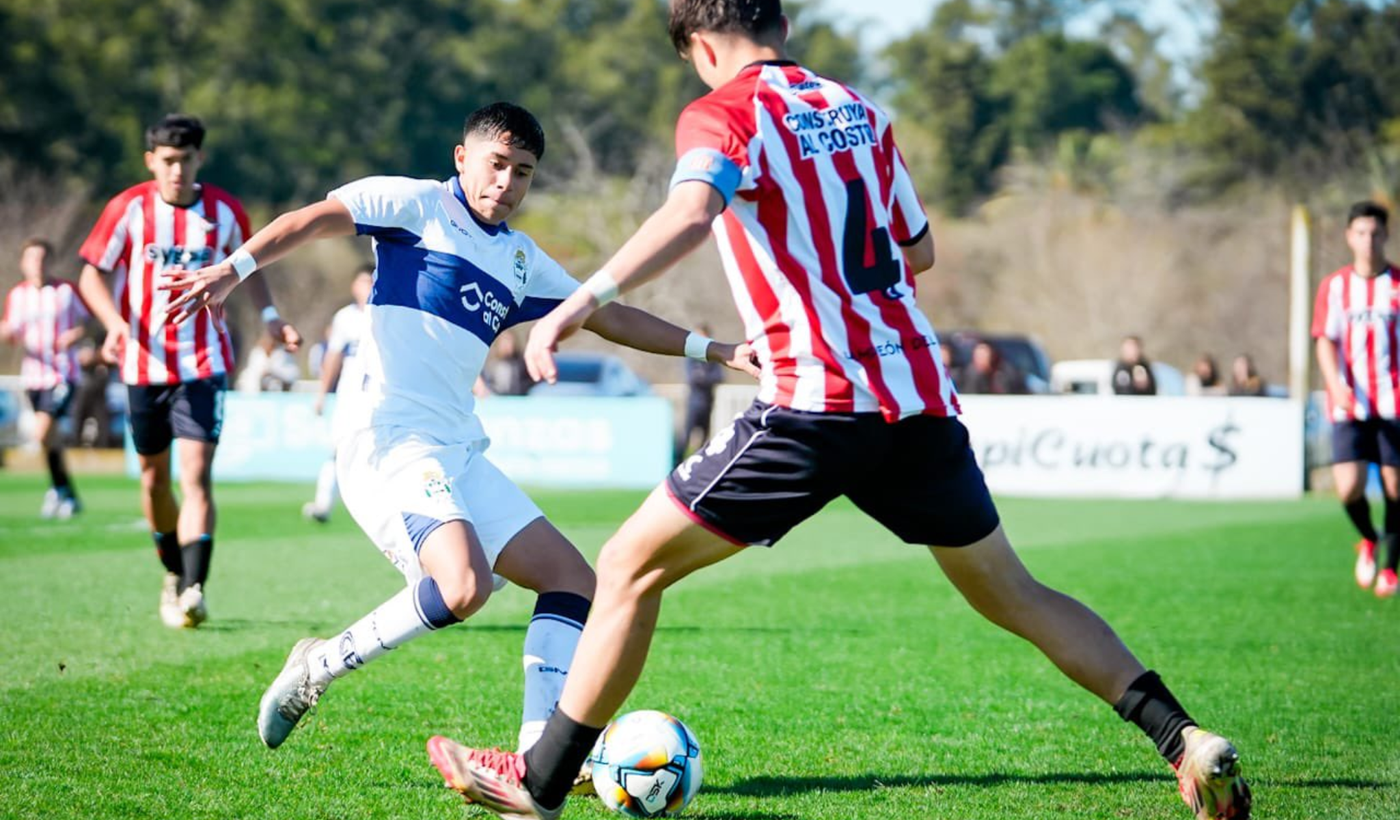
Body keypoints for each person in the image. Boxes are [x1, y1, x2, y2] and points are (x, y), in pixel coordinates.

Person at [426, 5, 1250, 820]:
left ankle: (539, 785)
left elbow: (691, 212)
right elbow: (918, 250)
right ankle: (1182, 739)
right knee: (1015, 592)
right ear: (779, 27)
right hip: (918, 397)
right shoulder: (859, 109)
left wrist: (579, 304)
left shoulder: (723, 112)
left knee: (628, 565)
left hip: (815, 402)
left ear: (703, 45)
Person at [159, 102, 757, 757]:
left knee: (574, 581)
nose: (506, 183)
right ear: (461, 158)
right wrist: (232, 268)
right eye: (496, 164)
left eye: (523, 172)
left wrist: (717, 350)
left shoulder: (522, 261)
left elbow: (608, 316)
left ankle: (540, 755)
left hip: (458, 449)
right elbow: (307, 222)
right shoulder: (413, 206)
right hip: (387, 440)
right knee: (463, 586)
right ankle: (317, 668)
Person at [76, 113, 302, 629]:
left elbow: (251, 269)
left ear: (200, 159)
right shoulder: (128, 209)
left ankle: (195, 588)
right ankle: (174, 574)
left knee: (197, 476)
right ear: (151, 160)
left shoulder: (224, 212)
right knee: (155, 480)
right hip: (142, 364)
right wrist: (113, 324)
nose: (177, 171)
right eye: (168, 161)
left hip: (204, 363)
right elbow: (92, 275)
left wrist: (269, 318)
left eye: (187, 160)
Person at [1312, 200, 1399, 598]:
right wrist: (1335, 384)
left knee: (1396, 488)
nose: (1368, 240)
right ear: (1350, 236)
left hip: (1394, 401)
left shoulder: (1397, 284)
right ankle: (1369, 537)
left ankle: (1390, 569)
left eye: (1375, 233)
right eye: (1361, 233)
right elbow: (1324, 341)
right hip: (1349, 403)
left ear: (1386, 235)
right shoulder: (1335, 287)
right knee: (1348, 488)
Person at [1, 238, 88, 518]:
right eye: (32, 259)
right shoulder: (18, 295)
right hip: (33, 375)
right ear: (24, 264)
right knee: (48, 440)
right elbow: (11, 331)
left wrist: (74, 334)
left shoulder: (65, 291)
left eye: (42, 258)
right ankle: (64, 491)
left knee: (41, 431)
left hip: (62, 373)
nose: (38, 264)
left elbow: (87, 322)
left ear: (50, 261)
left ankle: (60, 491)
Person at [303, 264, 374, 523]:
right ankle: (323, 504)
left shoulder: (388, 313)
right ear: (354, 286)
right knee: (337, 448)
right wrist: (322, 392)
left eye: (370, 281)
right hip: (349, 396)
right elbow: (333, 358)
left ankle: (373, 510)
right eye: (363, 281)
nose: (366, 287)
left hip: (380, 396)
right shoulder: (345, 317)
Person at [681, 321, 724, 455]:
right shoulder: (691, 356)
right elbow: (691, 378)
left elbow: (719, 377)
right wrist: (703, 378)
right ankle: (678, 462)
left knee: (705, 438)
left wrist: (703, 377)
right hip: (693, 403)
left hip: (708, 402)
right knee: (686, 436)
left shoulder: (713, 357)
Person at [235, 332, 301, 392]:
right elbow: (254, 372)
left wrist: (273, 372)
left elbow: (291, 373)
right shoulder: (258, 354)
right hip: (253, 389)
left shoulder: (281, 355)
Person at [959, 340, 1025, 395]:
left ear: (992, 356)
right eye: (978, 356)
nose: (980, 359)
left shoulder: (1006, 373)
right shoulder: (968, 375)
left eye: (983, 355)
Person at [483, 330, 532, 396]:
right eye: (504, 342)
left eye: (509, 342)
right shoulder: (490, 366)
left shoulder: (522, 365)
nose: (506, 346)